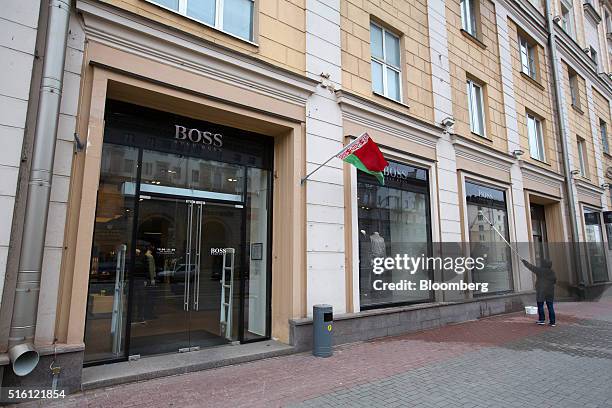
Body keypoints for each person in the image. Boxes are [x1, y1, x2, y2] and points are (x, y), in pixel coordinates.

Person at [521, 258, 557, 326]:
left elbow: (531, 267)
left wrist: (524, 261)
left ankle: (541, 320)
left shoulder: (540, 270)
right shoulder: (552, 272)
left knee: (540, 305)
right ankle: (552, 322)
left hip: (541, 291)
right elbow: (555, 281)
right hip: (550, 291)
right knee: (550, 306)